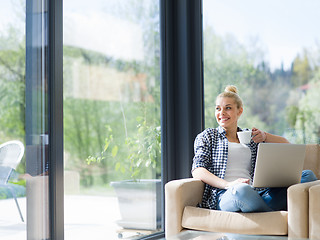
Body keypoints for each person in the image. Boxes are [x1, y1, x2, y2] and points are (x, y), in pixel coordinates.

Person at [192, 85, 317, 212]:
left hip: (258, 192)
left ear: (239, 111)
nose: (222, 113)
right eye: (218, 109)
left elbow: (288, 146)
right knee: (241, 191)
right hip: (227, 194)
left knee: (308, 175)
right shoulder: (208, 136)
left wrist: (265, 136)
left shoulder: (250, 136)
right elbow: (198, 170)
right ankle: (270, 215)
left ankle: (258, 208)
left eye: (228, 108)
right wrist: (229, 185)